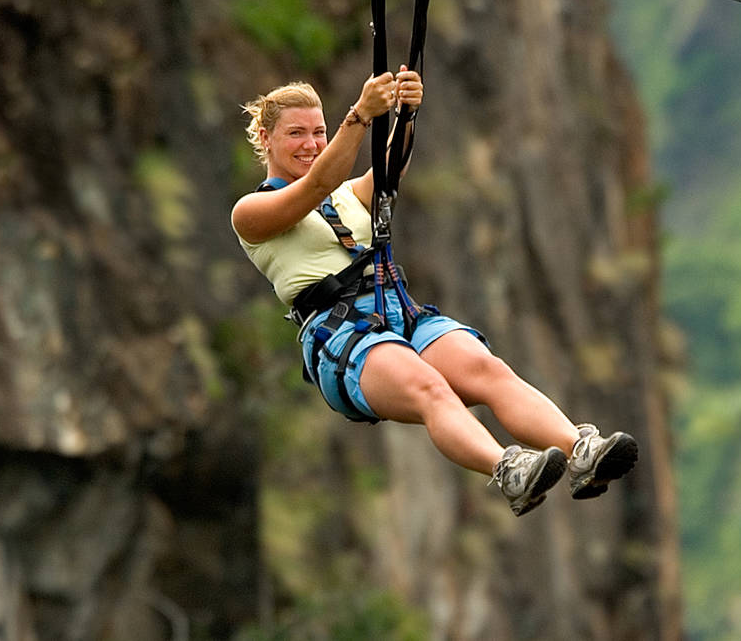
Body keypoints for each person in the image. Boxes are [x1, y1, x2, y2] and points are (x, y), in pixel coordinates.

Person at [231, 67, 638, 516]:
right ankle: (507, 469)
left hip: (397, 311)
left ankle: (578, 449)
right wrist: (360, 117)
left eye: (319, 131)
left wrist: (406, 115)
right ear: (266, 140)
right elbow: (316, 185)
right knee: (430, 387)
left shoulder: (348, 195)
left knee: (487, 368)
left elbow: (387, 171)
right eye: (296, 134)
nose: (311, 144)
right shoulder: (252, 213)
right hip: (342, 337)